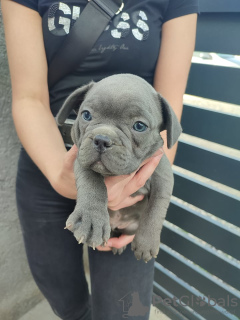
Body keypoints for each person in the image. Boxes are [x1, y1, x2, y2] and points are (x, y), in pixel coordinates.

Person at [2, 0, 198, 319]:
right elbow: (28, 98)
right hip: (47, 161)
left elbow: (169, 102)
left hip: (132, 179)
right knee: (61, 293)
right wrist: (59, 174)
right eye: (86, 114)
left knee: (124, 310)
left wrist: (142, 200)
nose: (105, 135)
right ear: (75, 110)